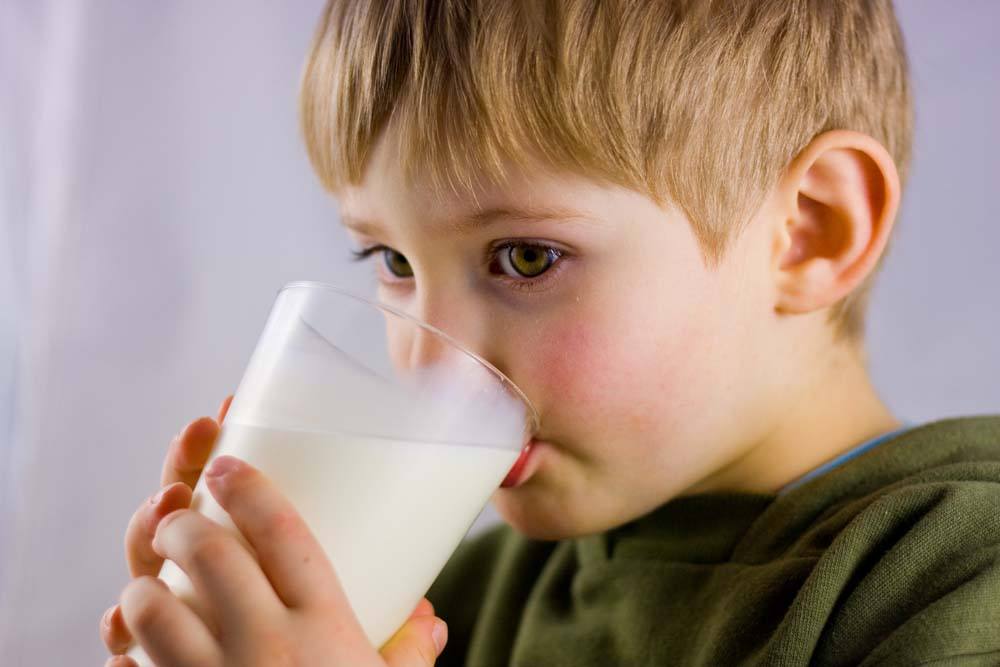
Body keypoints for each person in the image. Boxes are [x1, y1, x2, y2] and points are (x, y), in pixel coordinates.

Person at [100, 1, 1000, 665]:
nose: (428, 363)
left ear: (808, 232)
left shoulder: (954, 577)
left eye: (525, 258)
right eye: (392, 259)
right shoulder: (451, 602)